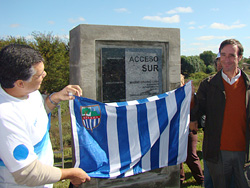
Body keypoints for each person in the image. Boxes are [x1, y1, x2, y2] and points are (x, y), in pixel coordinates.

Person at [0, 44, 91, 187]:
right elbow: (27, 173)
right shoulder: (5, 117)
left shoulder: (29, 91)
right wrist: (70, 173)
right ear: (20, 83)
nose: (45, 75)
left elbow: (33, 118)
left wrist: (55, 98)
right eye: (39, 74)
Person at [190, 39, 250, 187]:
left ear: (240, 57)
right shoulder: (208, 85)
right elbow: (197, 109)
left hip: (245, 152)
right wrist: (191, 111)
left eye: (231, 55)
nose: (226, 60)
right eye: (223, 55)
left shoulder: (248, 85)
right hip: (218, 152)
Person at [180, 74, 204, 186]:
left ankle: (201, 179)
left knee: (191, 156)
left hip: (189, 131)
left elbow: (195, 112)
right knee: (177, 156)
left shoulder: (190, 96)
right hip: (178, 130)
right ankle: (180, 178)